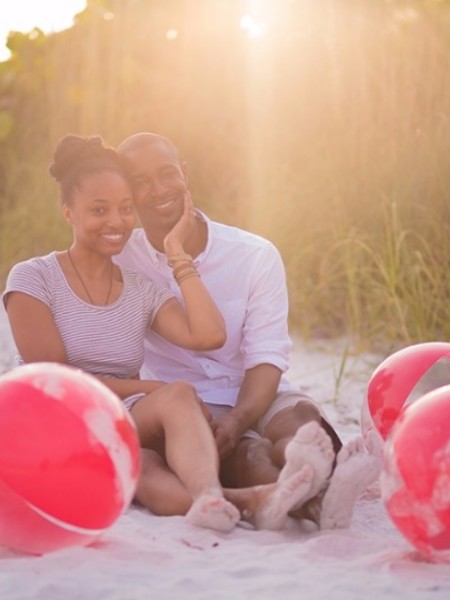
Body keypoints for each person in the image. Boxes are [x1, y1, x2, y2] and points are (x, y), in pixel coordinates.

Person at [2, 134, 325, 533]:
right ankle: (246, 500)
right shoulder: (34, 277)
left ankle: (211, 496)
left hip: (118, 414)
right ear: (68, 212)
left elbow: (208, 335)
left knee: (158, 437)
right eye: (99, 210)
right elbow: (57, 381)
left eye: (124, 210)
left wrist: (176, 251)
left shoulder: (138, 287)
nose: (115, 222)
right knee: (158, 415)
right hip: (52, 417)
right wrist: (151, 389)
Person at [114, 132, 381, 530]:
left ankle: (314, 467)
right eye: (141, 182)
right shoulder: (120, 259)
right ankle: (318, 499)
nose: (158, 190)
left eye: (167, 174)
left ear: (185, 175)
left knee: (302, 420)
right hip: (190, 406)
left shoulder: (254, 254)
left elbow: (267, 356)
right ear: (128, 195)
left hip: (256, 392)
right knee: (248, 456)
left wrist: (240, 416)